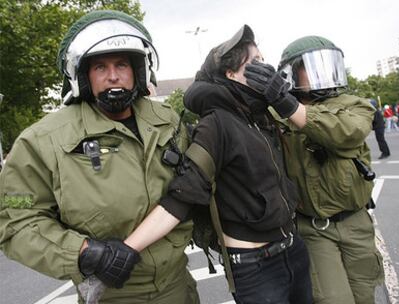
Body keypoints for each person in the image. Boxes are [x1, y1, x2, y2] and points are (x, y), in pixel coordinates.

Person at [0, 10, 199, 304]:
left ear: (137, 70)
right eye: (100, 67)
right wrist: (83, 252)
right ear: (82, 75)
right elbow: (15, 222)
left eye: (121, 64)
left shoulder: (167, 120)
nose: (113, 75)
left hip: (178, 286)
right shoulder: (43, 140)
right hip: (113, 294)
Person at [122, 25, 313, 304]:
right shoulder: (216, 124)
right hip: (257, 266)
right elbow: (183, 194)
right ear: (232, 74)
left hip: (293, 251)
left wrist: (285, 99)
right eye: (255, 62)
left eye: (263, 60)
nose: (265, 67)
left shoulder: (262, 117)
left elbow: (322, 129)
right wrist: (126, 250)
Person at [243, 36, 384, 304]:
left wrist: (286, 104)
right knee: (333, 299)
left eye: (328, 64)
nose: (323, 73)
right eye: (311, 66)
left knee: (365, 294)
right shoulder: (275, 114)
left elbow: (345, 132)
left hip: (356, 222)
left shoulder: (353, 105)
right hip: (315, 227)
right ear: (290, 74)